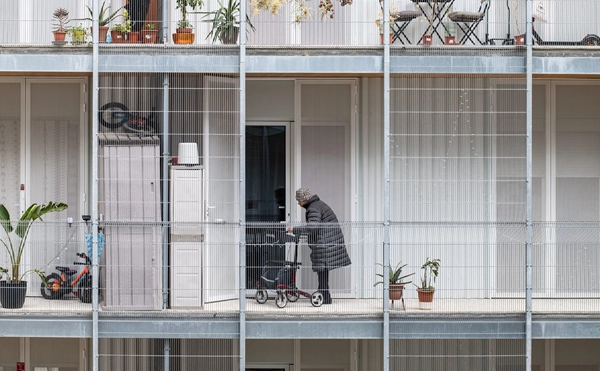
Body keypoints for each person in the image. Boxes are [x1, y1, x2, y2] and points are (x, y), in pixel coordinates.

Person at [287, 187, 351, 304]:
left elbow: (312, 227)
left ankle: (323, 295)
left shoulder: (313, 208)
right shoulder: (317, 205)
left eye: (298, 200)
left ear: (303, 200)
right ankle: (324, 295)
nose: (298, 203)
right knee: (323, 269)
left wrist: (294, 229)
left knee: (322, 269)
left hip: (325, 243)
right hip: (329, 240)